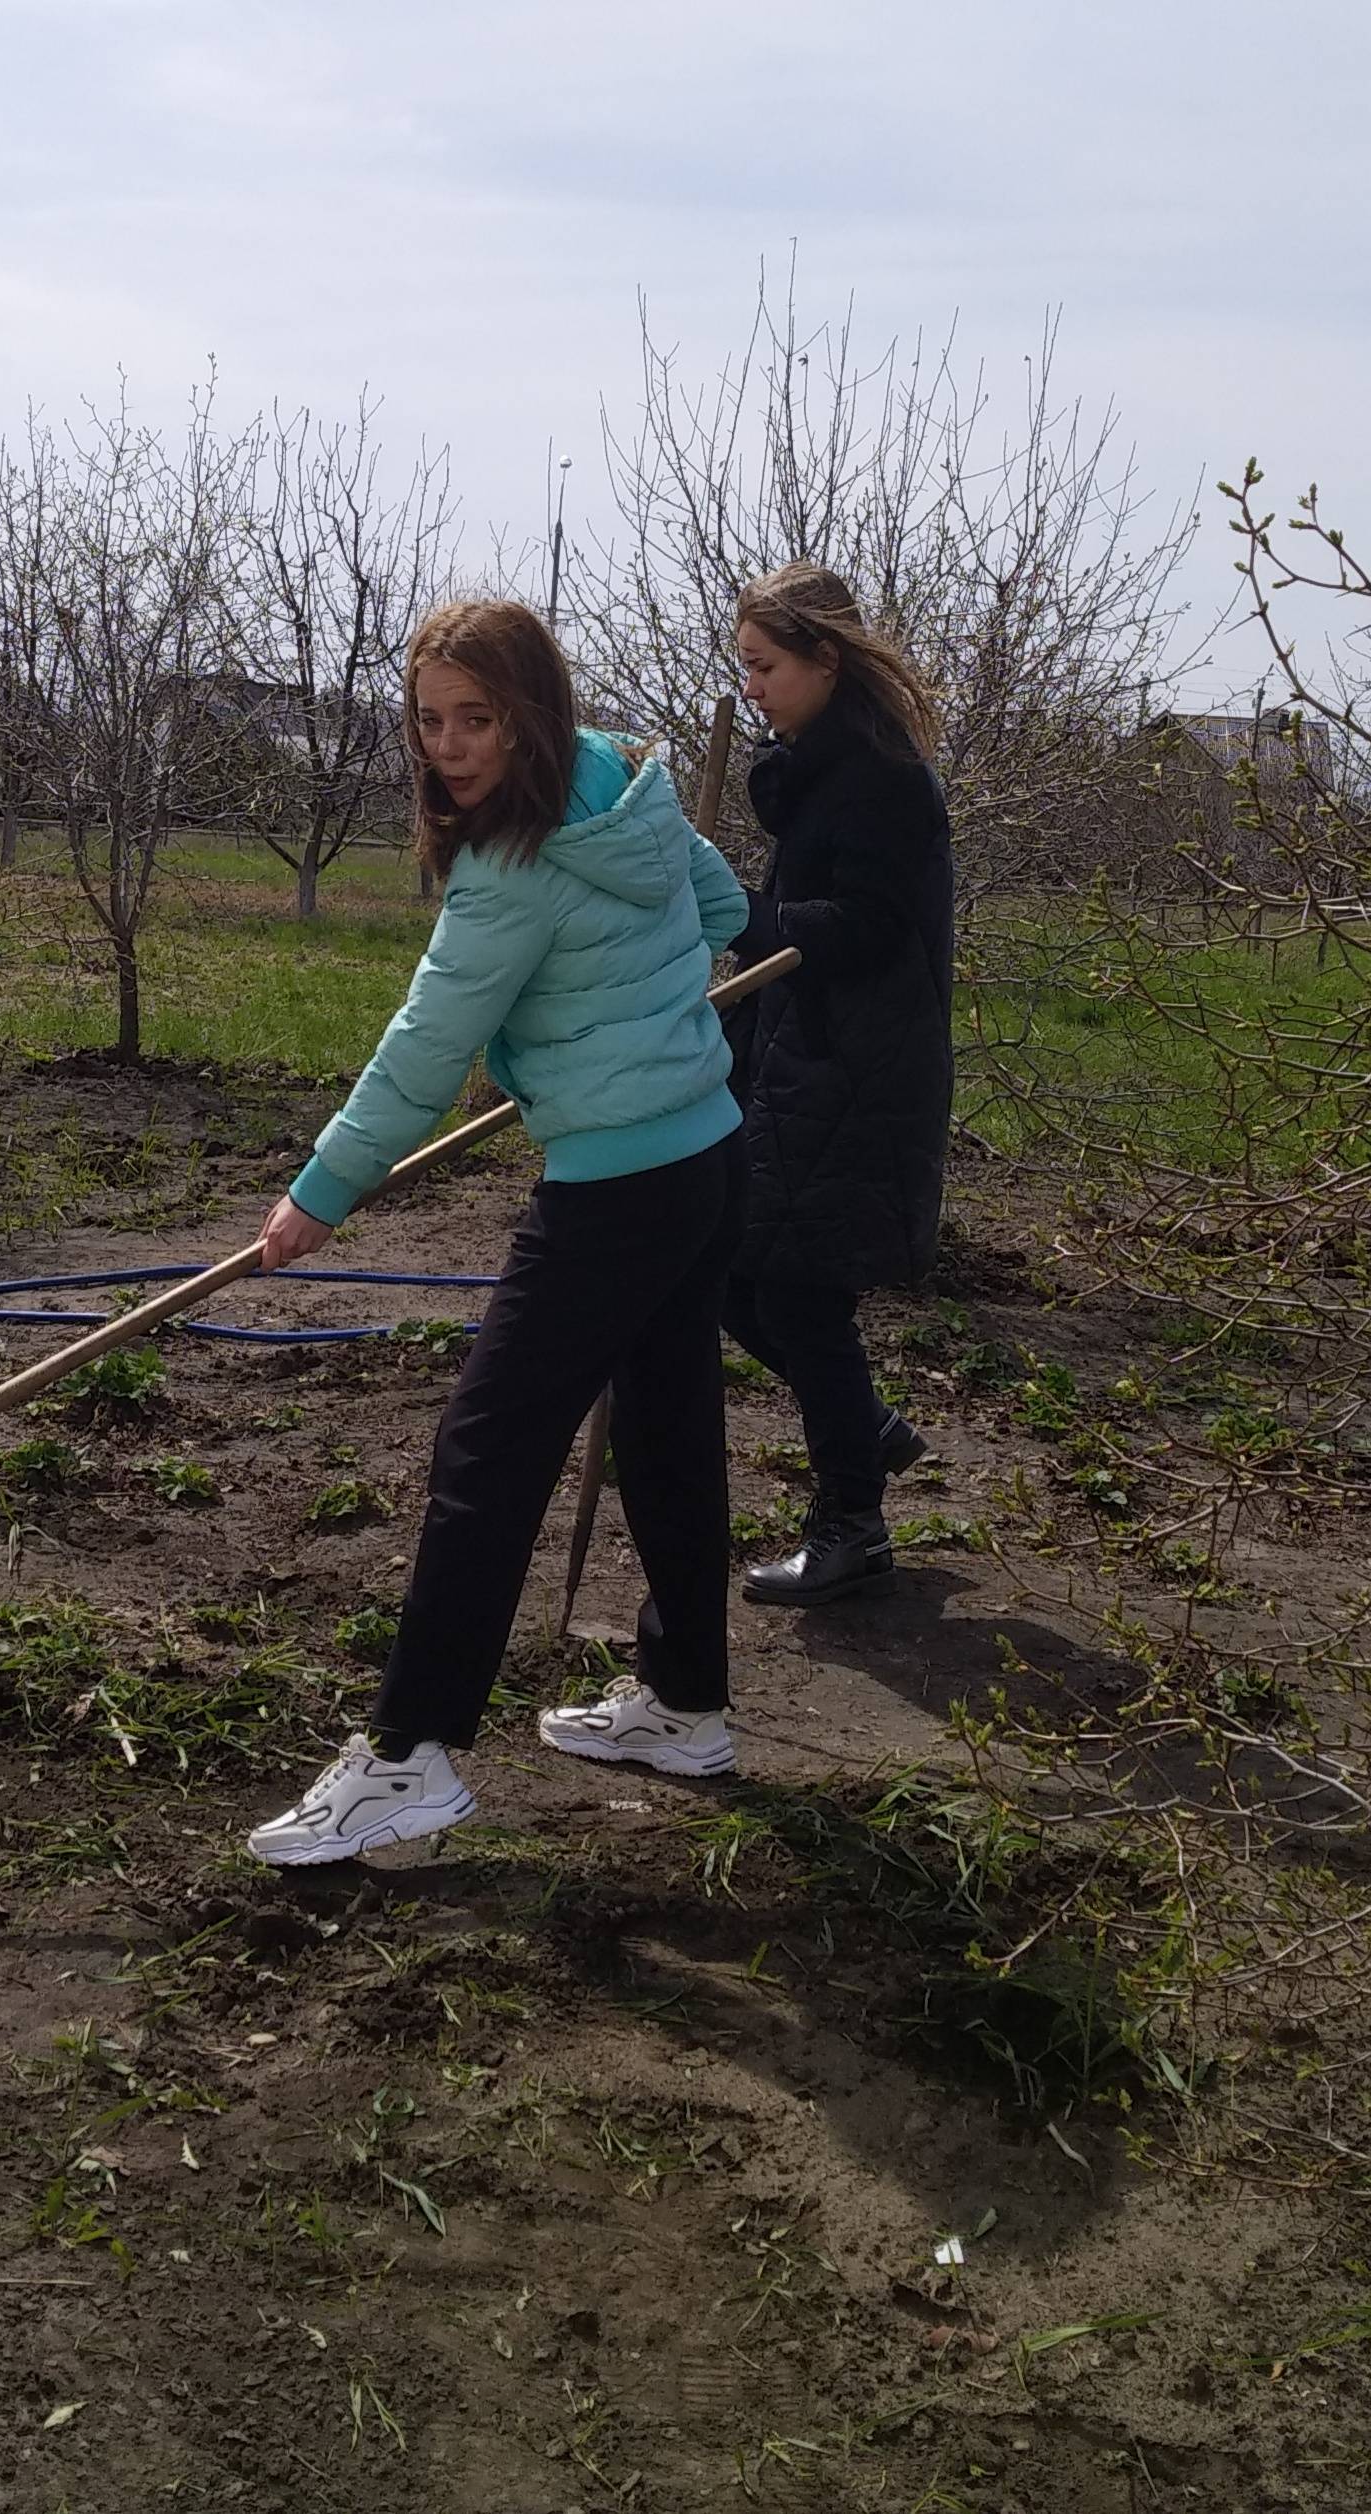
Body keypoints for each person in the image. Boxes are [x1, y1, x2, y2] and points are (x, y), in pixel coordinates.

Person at [245, 599, 755, 1867]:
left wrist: (320, 1193)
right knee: (668, 1426)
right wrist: (635, 1003)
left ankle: (411, 1756)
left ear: (531, 707)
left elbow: (424, 1048)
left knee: (487, 1446)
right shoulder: (620, 778)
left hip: (619, 1182)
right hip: (701, 1145)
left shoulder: (512, 865)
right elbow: (724, 906)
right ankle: (687, 1705)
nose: (452, 745)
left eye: (479, 717)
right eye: (430, 720)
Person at [718, 563, 956, 1603]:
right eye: (743, 670)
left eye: (765, 667)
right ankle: (862, 1432)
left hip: (857, 1075)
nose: (752, 690)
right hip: (797, 1063)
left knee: (797, 1297)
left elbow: (865, 930)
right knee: (730, 1273)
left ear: (825, 658)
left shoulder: (882, 780)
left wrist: (741, 919)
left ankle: (850, 1525)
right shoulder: (822, 768)